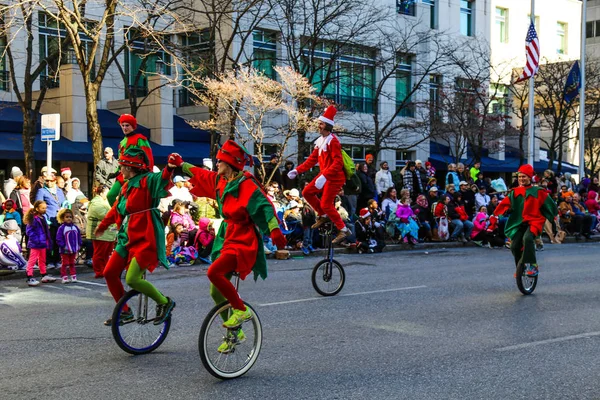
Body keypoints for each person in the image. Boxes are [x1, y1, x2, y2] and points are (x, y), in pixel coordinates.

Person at [167, 141, 286, 353]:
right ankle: (235, 333)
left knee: (214, 272)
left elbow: (265, 205)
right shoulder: (220, 180)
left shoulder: (246, 184)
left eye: (220, 160)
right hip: (227, 235)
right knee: (216, 291)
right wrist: (181, 164)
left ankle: (241, 310)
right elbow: (200, 174)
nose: (217, 163)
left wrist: (275, 230)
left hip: (243, 238)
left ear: (230, 163)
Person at [95, 147, 175, 327]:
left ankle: (164, 302)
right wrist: (102, 226)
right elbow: (116, 209)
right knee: (109, 273)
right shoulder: (126, 187)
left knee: (132, 279)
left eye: (122, 166)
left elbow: (161, 178)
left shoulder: (146, 180)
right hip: (127, 236)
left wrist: (169, 168)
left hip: (145, 235)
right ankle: (125, 312)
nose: (120, 170)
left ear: (130, 168)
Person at [287, 106, 351, 244]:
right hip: (325, 175)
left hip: (334, 177)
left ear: (327, 125)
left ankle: (344, 230)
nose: (319, 126)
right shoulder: (320, 141)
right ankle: (322, 215)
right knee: (307, 192)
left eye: (321, 124)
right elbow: (312, 160)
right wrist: (297, 170)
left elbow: (338, 163)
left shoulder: (333, 141)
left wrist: (325, 176)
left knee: (327, 204)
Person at [493, 164, 558, 277]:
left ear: (530, 177)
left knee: (527, 238)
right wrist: (498, 214)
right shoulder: (514, 192)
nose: (521, 179)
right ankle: (520, 266)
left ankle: (533, 265)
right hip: (519, 222)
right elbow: (505, 205)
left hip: (535, 221)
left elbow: (551, 207)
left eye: (524, 177)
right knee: (514, 246)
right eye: (519, 177)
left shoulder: (539, 191)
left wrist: (553, 221)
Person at [106, 114, 155, 205]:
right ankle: (118, 216)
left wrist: (149, 172)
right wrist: (116, 172)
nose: (125, 128)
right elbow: (121, 161)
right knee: (110, 195)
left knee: (130, 198)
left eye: (127, 125)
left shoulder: (140, 139)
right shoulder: (122, 142)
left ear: (133, 126)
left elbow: (149, 157)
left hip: (137, 174)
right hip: (123, 174)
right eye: (123, 125)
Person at [24, 200, 57, 287]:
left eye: (45, 208)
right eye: (42, 208)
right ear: (37, 208)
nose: (44, 209)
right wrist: (37, 239)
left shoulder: (43, 218)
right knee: (32, 260)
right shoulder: (34, 219)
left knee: (42, 260)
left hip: (43, 242)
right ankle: (29, 276)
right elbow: (29, 231)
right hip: (36, 243)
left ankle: (44, 274)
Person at [87, 185, 116, 279]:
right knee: (100, 253)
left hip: (108, 231)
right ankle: (99, 271)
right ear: (101, 193)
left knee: (106, 253)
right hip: (100, 231)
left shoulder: (105, 201)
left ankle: (105, 270)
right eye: (107, 192)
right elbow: (104, 215)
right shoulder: (96, 202)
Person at [55, 208, 82, 284]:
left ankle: (73, 275)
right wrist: (63, 245)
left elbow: (78, 236)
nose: (69, 218)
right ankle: (64, 276)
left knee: (72, 263)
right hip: (65, 249)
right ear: (62, 218)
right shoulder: (62, 228)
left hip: (73, 249)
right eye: (67, 217)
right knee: (65, 263)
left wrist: (79, 244)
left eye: (70, 217)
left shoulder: (75, 227)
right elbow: (58, 238)